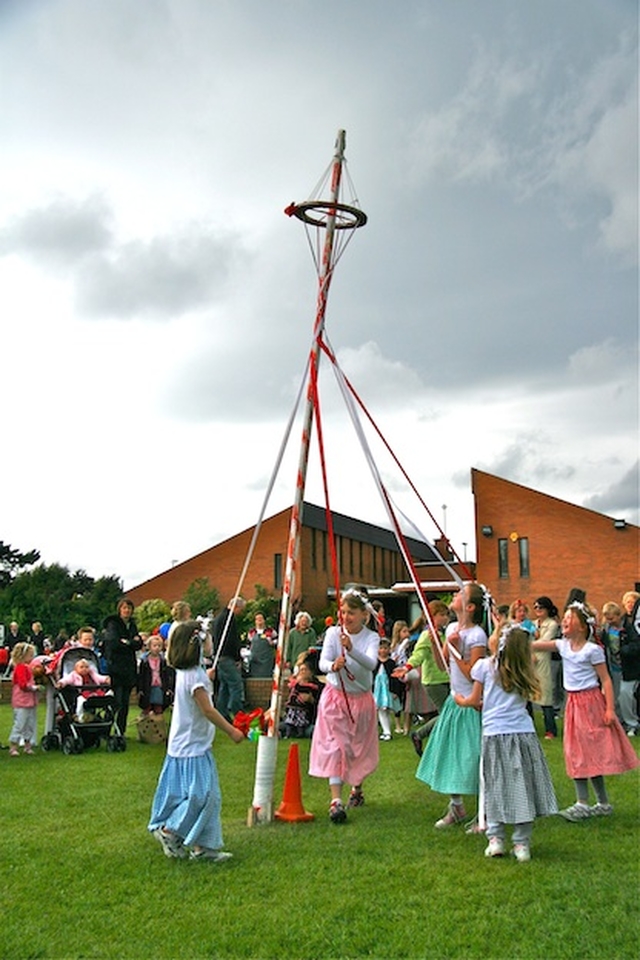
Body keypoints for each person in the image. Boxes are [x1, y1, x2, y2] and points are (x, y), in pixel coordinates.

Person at [455, 625, 558, 861]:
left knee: (493, 785)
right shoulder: (525, 668)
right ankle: (521, 844)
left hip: (494, 735)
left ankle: (496, 839)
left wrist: (459, 700)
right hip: (523, 734)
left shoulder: (484, 667)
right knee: (521, 786)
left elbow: (473, 699)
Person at [533, 600, 639, 820]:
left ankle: (588, 803)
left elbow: (606, 680)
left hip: (590, 703)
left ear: (582, 626)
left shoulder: (592, 650)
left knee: (586, 753)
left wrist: (610, 709)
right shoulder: (562, 645)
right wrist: (512, 637)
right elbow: (536, 645)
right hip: (573, 704)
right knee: (577, 752)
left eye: (569, 619)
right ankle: (597, 802)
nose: (564, 621)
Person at [148, 620, 244, 861]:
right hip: (193, 748)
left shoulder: (189, 673)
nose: (212, 642)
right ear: (198, 645)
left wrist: (206, 678)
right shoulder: (196, 678)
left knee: (206, 795)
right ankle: (170, 831)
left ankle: (203, 848)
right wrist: (231, 730)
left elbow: (197, 688)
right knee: (203, 796)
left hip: (186, 746)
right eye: (209, 639)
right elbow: (207, 710)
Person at [415, 582, 488, 829]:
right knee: (450, 754)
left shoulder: (477, 635)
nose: (454, 595)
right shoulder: (453, 628)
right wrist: (436, 640)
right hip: (455, 702)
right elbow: (442, 664)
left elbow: (473, 675)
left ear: (469, 607)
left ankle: (484, 812)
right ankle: (456, 806)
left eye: (460, 593)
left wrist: (456, 649)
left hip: (472, 704)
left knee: (475, 757)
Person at [309, 587, 380, 823]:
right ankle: (335, 801)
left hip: (361, 700)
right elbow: (322, 663)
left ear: (363, 615)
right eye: (343, 612)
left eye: (351, 612)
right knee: (337, 747)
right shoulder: (332, 633)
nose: (346, 617)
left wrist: (351, 649)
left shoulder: (371, 637)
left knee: (356, 749)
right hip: (335, 697)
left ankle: (356, 789)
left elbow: (370, 664)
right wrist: (333, 666)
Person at [397, 600, 451, 757]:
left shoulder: (443, 633)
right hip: (434, 681)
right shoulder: (427, 636)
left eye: (446, 614)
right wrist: (407, 667)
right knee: (447, 714)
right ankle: (419, 734)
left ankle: (437, 742)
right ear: (432, 617)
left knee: (450, 714)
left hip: (446, 679)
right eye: (442, 615)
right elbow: (418, 654)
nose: (446, 618)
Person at [103, 598, 142, 737]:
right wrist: (130, 643)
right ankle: (106, 729)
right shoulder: (113, 624)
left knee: (125, 702)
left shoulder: (132, 625)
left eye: (129, 608)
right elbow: (114, 644)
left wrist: (128, 642)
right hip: (116, 668)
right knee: (116, 701)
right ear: (120, 609)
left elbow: (138, 644)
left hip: (129, 668)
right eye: (124, 608)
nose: (127, 611)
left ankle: (121, 731)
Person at [211, 597, 246, 720]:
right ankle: (238, 712)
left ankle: (222, 712)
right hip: (227, 657)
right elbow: (231, 640)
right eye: (240, 610)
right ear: (236, 607)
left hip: (219, 656)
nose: (240, 613)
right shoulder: (228, 620)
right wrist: (237, 658)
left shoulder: (219, 618)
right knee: (236, 685)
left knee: (224, 686)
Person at [531, 596, 560, 739]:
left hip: (543, 661)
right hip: (530, 661)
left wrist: (527, 644)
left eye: (540, 607)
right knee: (528, 695)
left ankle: (551, 729)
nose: (537, 610)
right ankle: (530, 727)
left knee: (545, 696)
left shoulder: (552, 624)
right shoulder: (532, 623)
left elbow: (545, 642)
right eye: (535, 607)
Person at [8, 642, 41, 756]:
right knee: (20, 723)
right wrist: (33, 687)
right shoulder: (21, 668)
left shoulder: (26, 667)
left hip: (29, 701)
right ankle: (13, 746)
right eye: (30, 655)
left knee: (29, 724)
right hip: (22, 701)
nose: (32, 657)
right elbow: (23, 685)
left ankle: (27, 745)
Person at [373, 637, 404, 739]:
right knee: (381, 710)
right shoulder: (374, 662)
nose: (383, 650)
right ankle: (386, 731)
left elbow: (394, 678)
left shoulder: (391, 663)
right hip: (377, 689)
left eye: (385, 648)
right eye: (381, 648)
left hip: (387, 689)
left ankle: (387, 732)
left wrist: (395, 691)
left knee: (385, 710)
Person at [281, 660, 320, 738]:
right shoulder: (295, 685)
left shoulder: (317, 687)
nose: (302, 672)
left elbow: (319, 707)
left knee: (313, 730)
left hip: (307, 721)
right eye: (301, 670)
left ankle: (299, 733)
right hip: (292, 717)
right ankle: (289, 733)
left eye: (305, 669)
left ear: (311, 672)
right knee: (281, 726)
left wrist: (312, 700)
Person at [619, 591, 640, 736]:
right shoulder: (622, 622)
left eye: (633, 603)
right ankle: (629, 722)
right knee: (624, 693)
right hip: (629, 665)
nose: (630, 606)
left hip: (633, 662)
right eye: (628, 602)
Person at [138, 635, 175, 715]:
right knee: (147, 707)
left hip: (159, 685)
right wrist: (140, 689)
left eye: (159, 646)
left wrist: (168, 687)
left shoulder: (163, 661)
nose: (157, 648)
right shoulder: (145, 661)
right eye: (154, 646)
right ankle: (145, 724)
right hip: (148, 686)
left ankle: (158, 723)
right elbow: (141, 676)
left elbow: (166, 675)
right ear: (149, 647)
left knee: (158, 706)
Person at [600, 601, 624, 723]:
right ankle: (618, 719)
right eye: (607, 618)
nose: (610, 621)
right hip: (612, 665)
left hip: (623, 665)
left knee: (622, 694)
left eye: (612, 618)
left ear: (618, 615)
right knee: (613, 694)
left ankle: (624, 719)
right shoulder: (606, 629)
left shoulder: (625, 628)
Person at [247, 612, 278, 678]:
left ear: (264, 620)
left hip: (267, 660)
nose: (259, 621)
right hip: (255, 661)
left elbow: (278, 640)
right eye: (257, 619)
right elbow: (248, 645)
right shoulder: (251, 632)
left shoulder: (271, 631)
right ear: (255, 621)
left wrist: (273, 642)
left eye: (261, 619)